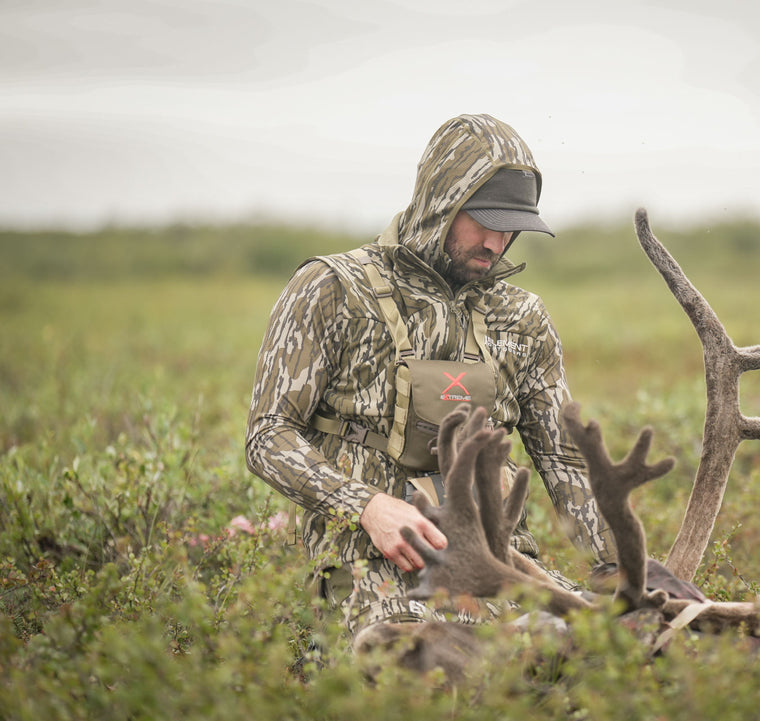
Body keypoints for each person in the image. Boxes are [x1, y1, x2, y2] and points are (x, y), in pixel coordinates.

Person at [246, 113, 615, 636]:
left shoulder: (523, 318)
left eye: (511, 226)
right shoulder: (331, 289)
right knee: (425, 675)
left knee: (616, 650)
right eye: (483, 219)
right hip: (371, 575)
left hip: (505, 575)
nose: (496, 241)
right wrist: (368, 507)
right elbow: (268, 437)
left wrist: (616, 569)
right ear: (440, 201)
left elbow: (563, 459)